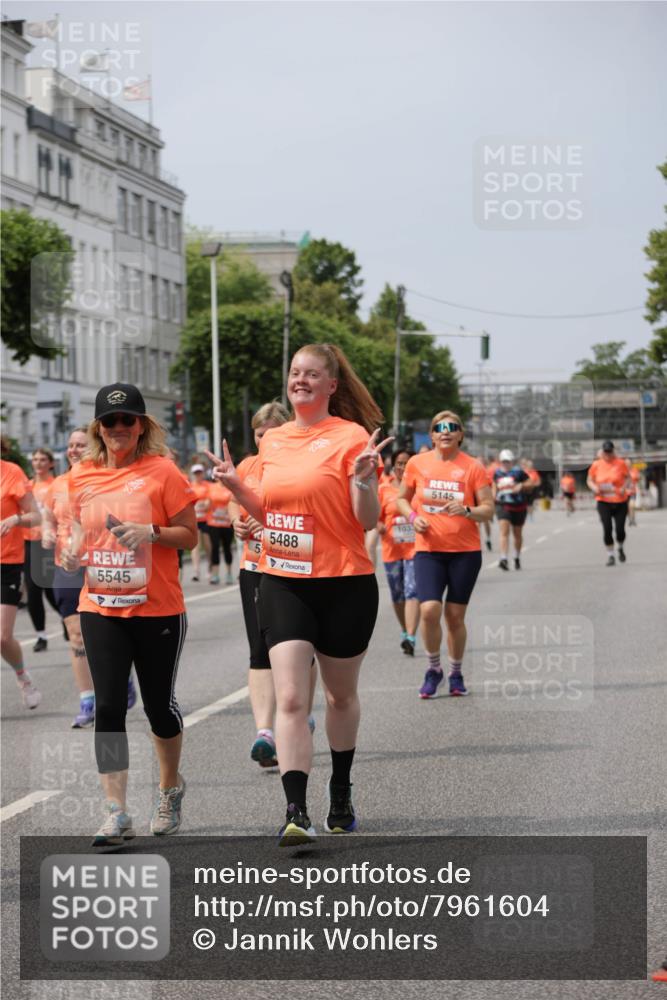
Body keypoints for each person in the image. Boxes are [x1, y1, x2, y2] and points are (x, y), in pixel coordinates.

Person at [207, 343, 391, 845]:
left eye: (312, 374)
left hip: (344, 581)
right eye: (294, 373)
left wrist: (364, 482)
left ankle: (340, 789)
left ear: (332, 385)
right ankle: (296, 810)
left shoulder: (351, 437)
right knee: (289, 696)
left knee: (339, 695)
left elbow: (366, 520)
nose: (300, 380)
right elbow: (267, 513)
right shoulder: (275, 441)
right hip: (283, 579)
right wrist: (235, 487)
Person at [64, 384, 197, 846]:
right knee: (108, 706)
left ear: (142, 426)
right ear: (98, 429)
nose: (118, 428)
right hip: (100, 605)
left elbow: (190, 535)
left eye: (127, 420)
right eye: (110, 421)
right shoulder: (81, 475)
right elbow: (77, 527)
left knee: (160, 708)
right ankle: (115, 810)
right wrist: (70, 550)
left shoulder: (163, 472)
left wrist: (152, 532)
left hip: (157, 608)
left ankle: (169, 788)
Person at [228, 400, 317, 770]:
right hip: (254, 565)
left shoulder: (302, 462)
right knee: (259, 648)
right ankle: (265, 732)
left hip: (294, 566)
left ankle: (301, 715)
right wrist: (237, 521)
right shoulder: (248, 466)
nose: (264, 440)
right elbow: (234, 499)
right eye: (258, 435)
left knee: (300, 649)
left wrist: (271, 522)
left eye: (270, 434)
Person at [42, 428, 137, 728]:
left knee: (112, 632)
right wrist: (46, 532)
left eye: (80, 445)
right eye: (70, 445)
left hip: (101, 564)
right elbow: (48, 515)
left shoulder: (105, 478)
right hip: (67, 567)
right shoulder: (58, 483)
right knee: (75, 633)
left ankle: (123, 677)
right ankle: (87, 699)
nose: (74, 450)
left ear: (94, 447)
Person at [397, 412, 493, 699]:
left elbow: (488, 509)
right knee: (429, 610)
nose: (446, 431)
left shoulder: (473, 467)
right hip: (428, 551)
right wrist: (413, 517)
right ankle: (433, 668)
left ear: (461, 434)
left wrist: (467, 510)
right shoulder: (417, 463)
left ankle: (456, 672)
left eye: (452, 427)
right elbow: (401, 498)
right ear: (432, 435)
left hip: (465, 553)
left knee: (454, 616)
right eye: (440, 428)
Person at [1, 436, 42, 709]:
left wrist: (15, 519)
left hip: (6, 562)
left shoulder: (11, 473)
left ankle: (22, 676)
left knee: (2, 637)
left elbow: (36, 516)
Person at [377, 450, 419, 655]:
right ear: (393, 466)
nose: (403, 467)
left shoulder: (419, 488)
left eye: (407, 463)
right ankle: (404, 629)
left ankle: (411, 636)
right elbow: (375, 517)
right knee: (397, 594)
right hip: (391, 549)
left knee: (413, 590)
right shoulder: (383, 489)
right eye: (399, 463)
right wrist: (379, 526)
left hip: (415, 549)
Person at [23, 448, 57, 652]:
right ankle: (41, 636)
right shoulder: (27, 486)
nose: (38, 463)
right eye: (35, 459)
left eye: (43, 459)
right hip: (29, 543)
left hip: (50, 543)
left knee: (51, 590)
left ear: (51, 463)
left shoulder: (56, 484)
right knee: (33, 591)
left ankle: (68, 617)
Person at [586, 440, 631, 566]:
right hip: (603, 501)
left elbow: (628, 478)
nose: (608, 454)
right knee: (607, 528)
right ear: (602, 452)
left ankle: (620, 547)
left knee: (620, 529)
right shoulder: (596, 464)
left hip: (620, 501)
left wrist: (623, 488)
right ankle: (610, 555)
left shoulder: (620, 463)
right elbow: (589, 480)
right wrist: (594, 488)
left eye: (609, 452)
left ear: (613, 451)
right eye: (605, 452)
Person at [492, 449, 534, 571]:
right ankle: (503, 559)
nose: (506, 463)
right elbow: (494, 486)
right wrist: (493, 499)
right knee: (504, 531)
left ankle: (516, 557)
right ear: (500, 462)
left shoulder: (518, 472)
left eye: (508, 461)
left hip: (519, 506)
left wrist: (521, 485)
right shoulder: (497, 473)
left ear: (512, 461)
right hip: (503, 505)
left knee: (517, 534)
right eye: (504, 461)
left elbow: (531, 483)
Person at [206, 477, 235, 585]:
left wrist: (228, 510)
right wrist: (205, 505)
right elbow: (207, 502)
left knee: (227, 547)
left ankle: (229, 573)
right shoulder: (211, 487)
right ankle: (215, 574)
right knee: (215, 547)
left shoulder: (231, 488)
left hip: (227, 523)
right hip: (213, 523)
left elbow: (235, 503)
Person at [189, 463, 211, 580]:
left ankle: (209, 567)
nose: (198, 475)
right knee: (195, 545)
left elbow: (209, 501)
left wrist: (204, 504)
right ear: (193, 474)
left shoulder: (207, 486)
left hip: (206, 519)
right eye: (196, 473)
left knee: (207, 545)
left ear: (203, 473)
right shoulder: (190, 486)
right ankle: (196, 571)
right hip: (195, 519)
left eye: (199, 473)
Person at [627, 462, 640, 526]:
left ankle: (633, 519)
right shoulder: (622, 470)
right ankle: (630, 520)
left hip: (632, 492)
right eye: (626, 463)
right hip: (625, 493)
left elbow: (638, 479)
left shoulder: (634, 470)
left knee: (632, 506)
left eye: (628, 463)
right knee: (628, 508)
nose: (627, 464)